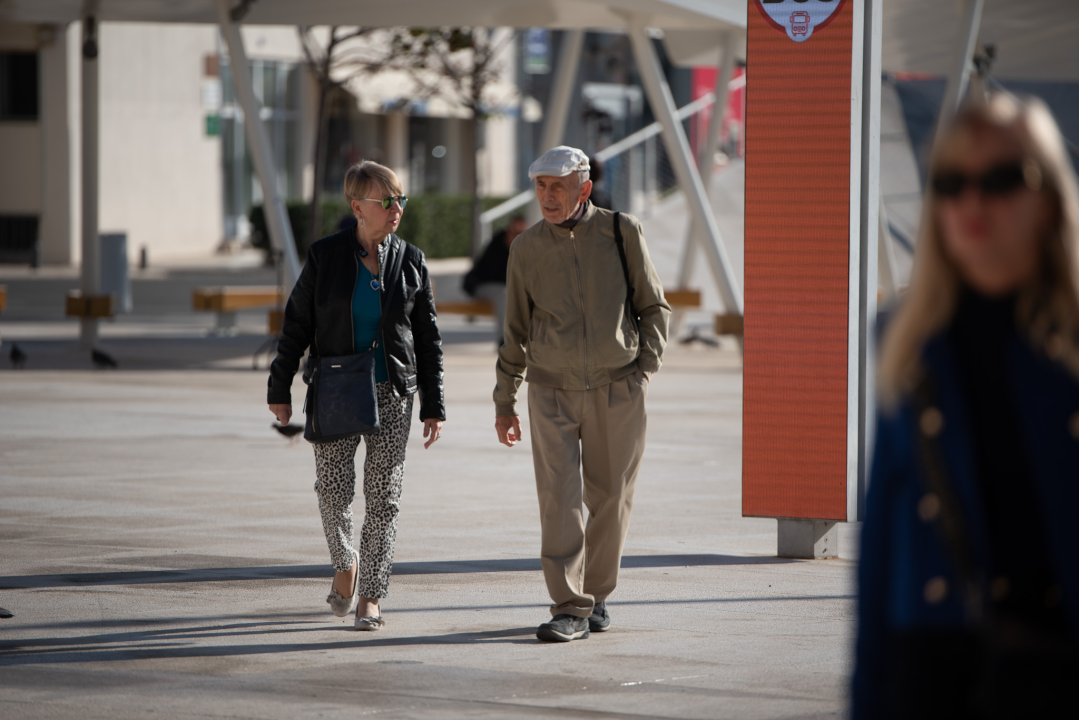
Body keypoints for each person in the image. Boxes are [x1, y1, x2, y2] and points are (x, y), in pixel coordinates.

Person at [853, 93, 1079, 718]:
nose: (972, 203)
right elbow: (880, 560)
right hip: (934, 668)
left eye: (1002, 180)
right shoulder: (905, 344)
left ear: (1049, 200)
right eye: (952, 184)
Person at [493, 145, 671, 642]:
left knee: (612, 497)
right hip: (550, 390)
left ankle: (596, 595)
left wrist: (643, 370)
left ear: (584, 188)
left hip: (618, 387)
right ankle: (569, 606)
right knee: (559, 500)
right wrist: (505, 401)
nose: (548, 197)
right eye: (541, 187)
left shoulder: (621, 232)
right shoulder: (525, 248)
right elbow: (515, 332)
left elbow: (653, 306)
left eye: (559, 187)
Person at [267, 160, 445, 631]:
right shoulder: (325, 256)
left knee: (385, 497)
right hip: (336, 388)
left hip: (394, 391)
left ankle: (371, 596)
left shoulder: (411, 259)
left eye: (400, 199)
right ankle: (346, 565)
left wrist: (434, 404)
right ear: (357, 207)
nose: (396, 208)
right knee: (333, 491)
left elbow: (427, 337)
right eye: (386, 200)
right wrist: (279, 386)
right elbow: (297, 323)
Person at [462, 214, 527, 347]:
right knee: (504, 293)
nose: (518, 237)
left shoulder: (526, 248)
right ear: (508, 232)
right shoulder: (496, 246)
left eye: (522, 234)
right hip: (484, 286)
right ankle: (504, 341)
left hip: (506, 289)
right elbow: (492, 275)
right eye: (515, 233)